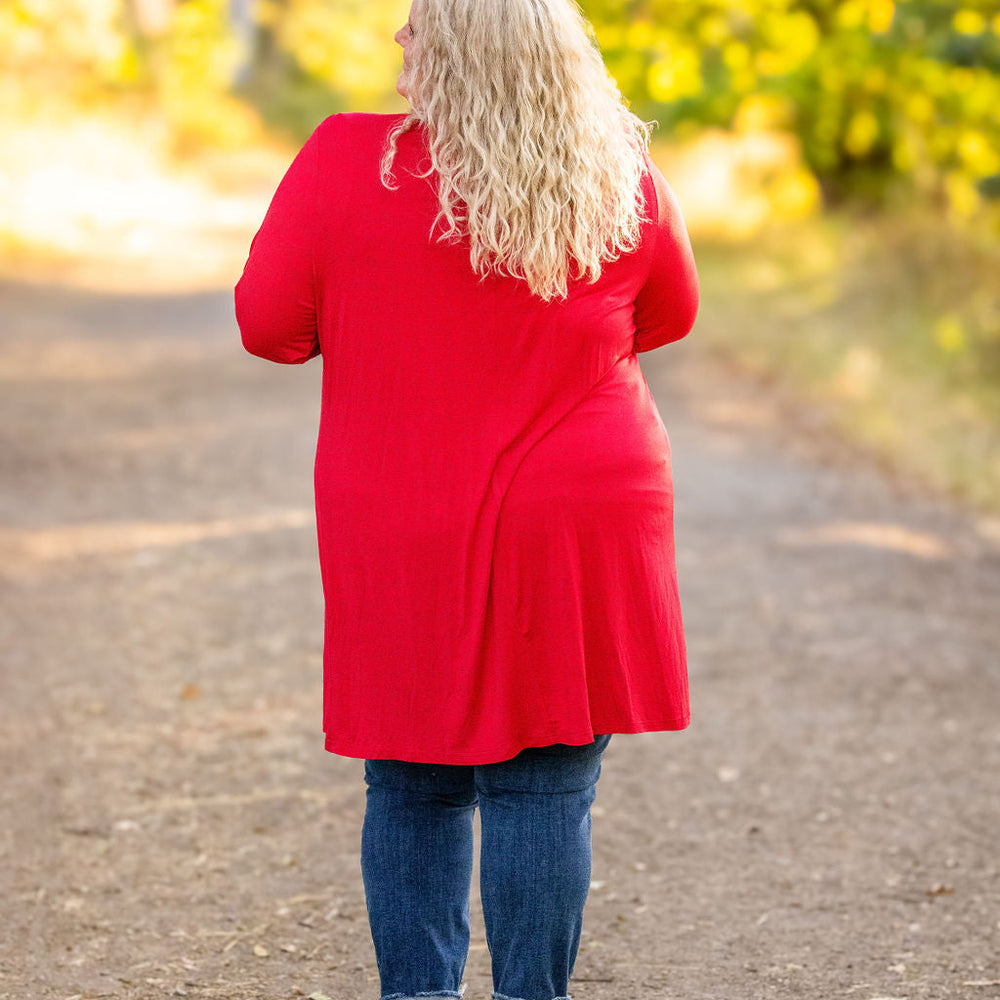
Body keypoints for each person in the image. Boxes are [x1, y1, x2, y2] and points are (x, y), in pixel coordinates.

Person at [234, 0, 699, 998]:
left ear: (459, 49)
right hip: (580, 510)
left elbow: (269, 325)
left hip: (406, 506)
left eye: (418, 26)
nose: (400, 40)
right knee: (545, 783)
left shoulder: (340, 160)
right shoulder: (615, 169)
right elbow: (669, 314)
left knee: (411, 777)